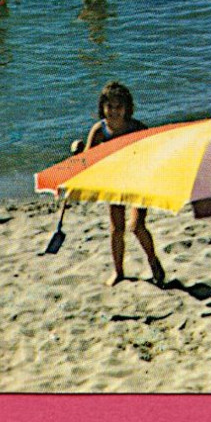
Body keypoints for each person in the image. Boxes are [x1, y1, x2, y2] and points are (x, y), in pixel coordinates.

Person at [85, 81, 165, 286]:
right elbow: (88, 160)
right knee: (116, 229)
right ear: (102, 108)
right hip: (114, 182)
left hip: (140, 181)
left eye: (118, 106)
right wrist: (81, 153)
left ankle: (152, 259)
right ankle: (119, 272)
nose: (114, 111)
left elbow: (154, 153)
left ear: (127, 108)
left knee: (137, 226)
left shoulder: (136, 128)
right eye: (109, 106)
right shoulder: (100, 130)